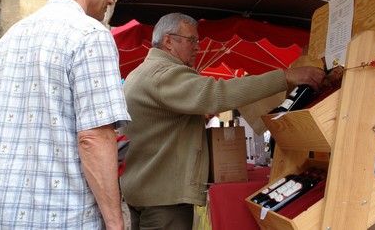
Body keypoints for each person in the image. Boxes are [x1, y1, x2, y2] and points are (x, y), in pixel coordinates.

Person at [121, 12, 325, 230]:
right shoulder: (164, 73)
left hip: (145, 190)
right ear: (168, 41)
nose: (197, 47)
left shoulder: (140, 73)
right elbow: (215, 94)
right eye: (192, 40)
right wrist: (284, 77)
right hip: (164, 199)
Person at [0, 0, 131, 229]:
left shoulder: (8, 39)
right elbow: (94, 138)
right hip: (64, 215)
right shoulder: (92, 35)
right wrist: (116, 224)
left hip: (1, 214)